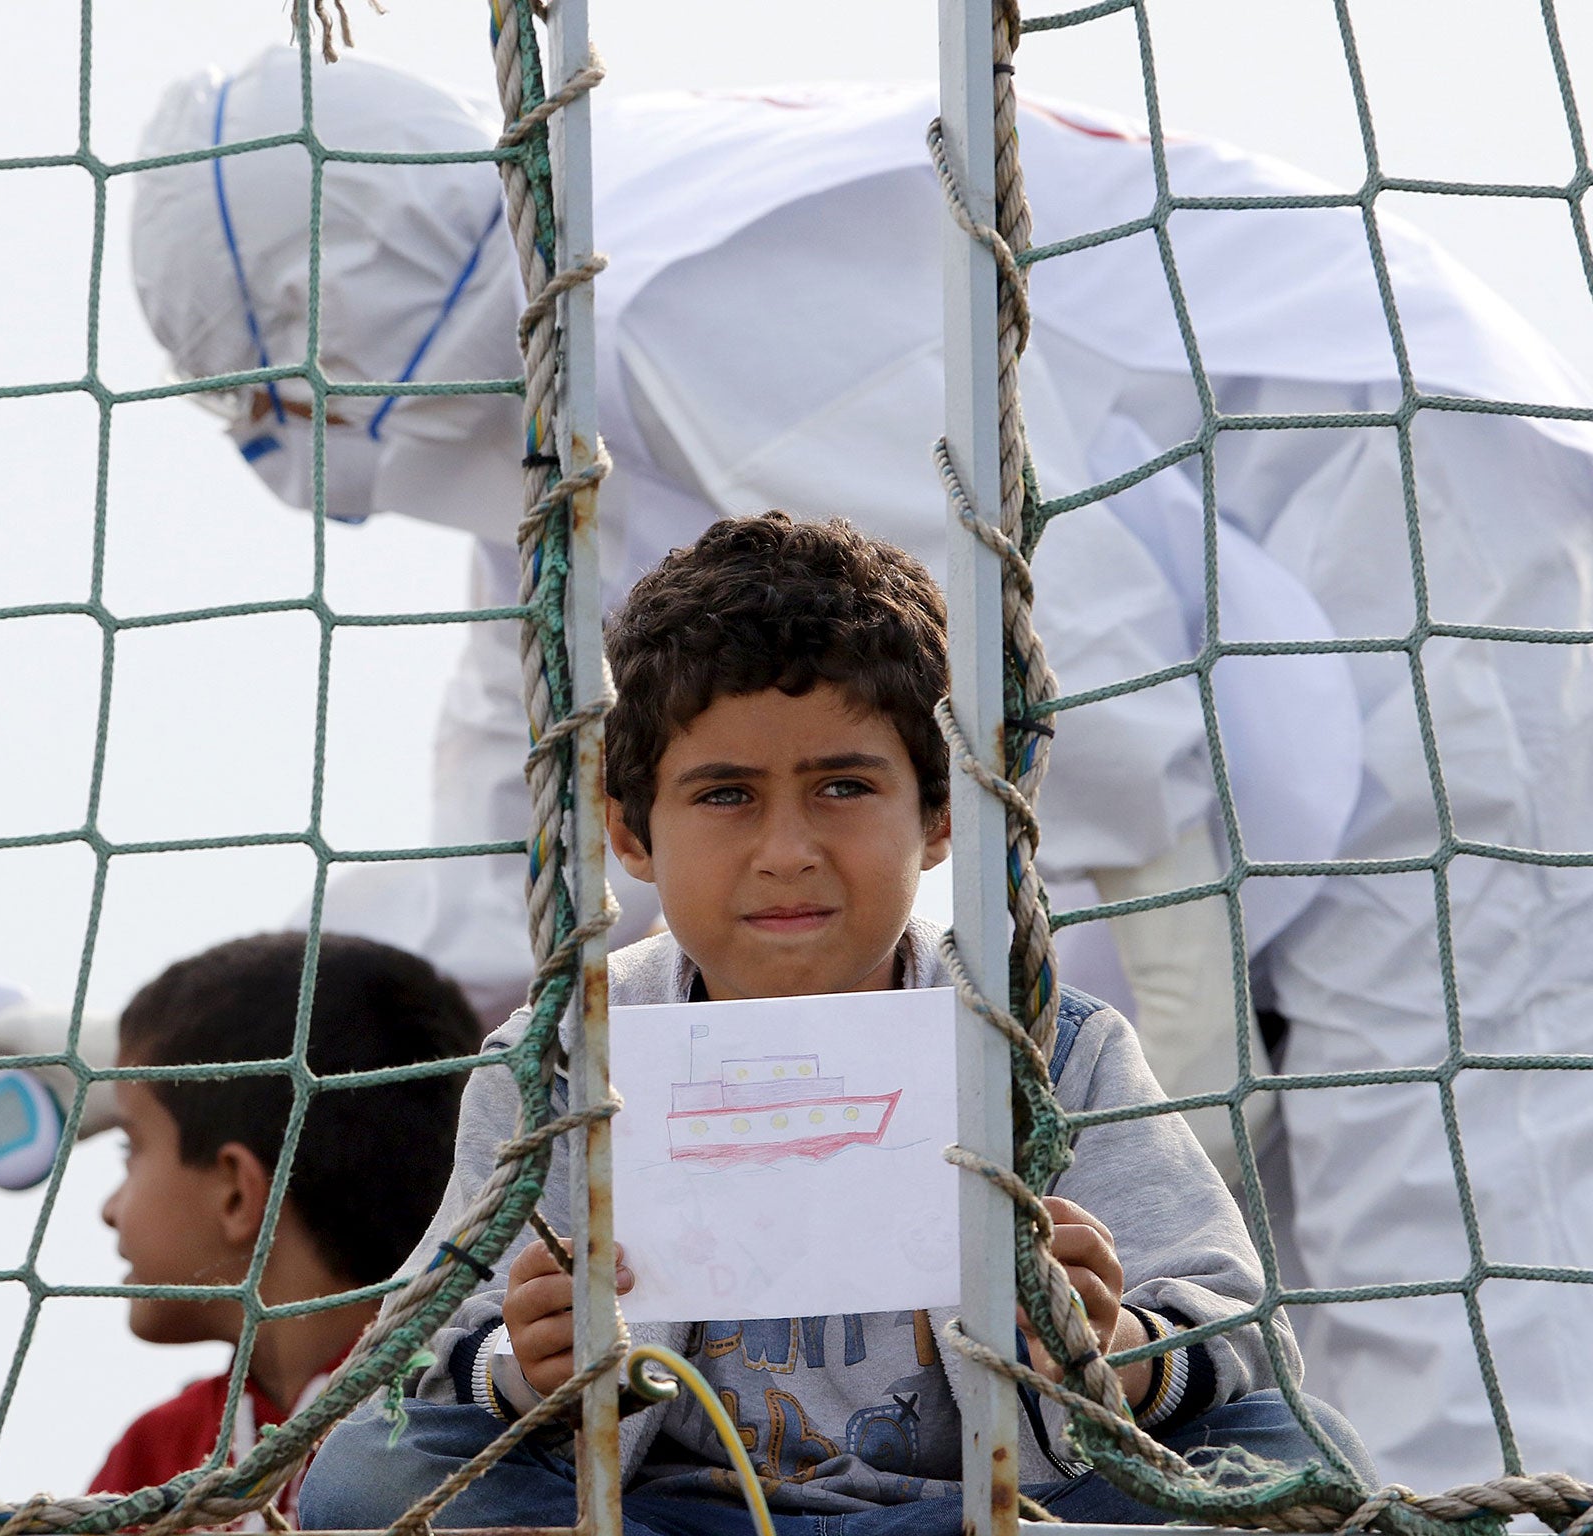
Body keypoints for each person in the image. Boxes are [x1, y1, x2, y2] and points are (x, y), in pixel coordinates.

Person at [132, 52, 1593, 1485]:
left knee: (1438, 1252)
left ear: (348, 349)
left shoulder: (682, 290)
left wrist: (1185, 1088)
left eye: (306, 415)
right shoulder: (563, 432)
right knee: (1244, 1305)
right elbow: (506, 891)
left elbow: (1090, 681)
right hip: (1232, 679)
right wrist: (131, 1058)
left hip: (1413, 567)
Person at [298, 512, 1369, 1530]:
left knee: (1301, 1455)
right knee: (362, 1475)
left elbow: (1224, 1316)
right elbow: (435, 1342)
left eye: (842, 787)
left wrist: (1116, 1346)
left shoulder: (1052, 1047)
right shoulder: (560, 1062)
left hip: (1003, 1508)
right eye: (724, 795)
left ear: (938, 815)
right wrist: (520, 1362)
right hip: (673, 1512)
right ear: (629, 832)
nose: (786, 851)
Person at [87, 930, 477, 1521]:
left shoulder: (460, 1405)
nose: (109, 1208)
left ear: (236, 1192)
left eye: (131, 1147)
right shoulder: (153, 1457)